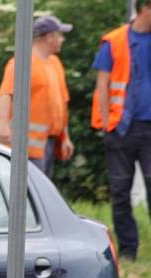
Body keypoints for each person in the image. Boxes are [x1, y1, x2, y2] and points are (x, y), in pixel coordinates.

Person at [92, 0, 151, 262]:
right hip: (122, 129)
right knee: (120, 192)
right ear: (146, 8)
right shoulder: (114, 41)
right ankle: (128, 252)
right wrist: (106, 123)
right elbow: (102, 84)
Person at [0, 15, 75, 179]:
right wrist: (3, 125)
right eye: (60, 35)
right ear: (49, 37)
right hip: (27, 144)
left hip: (49, 142)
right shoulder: (23, 61)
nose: (63, 39)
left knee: (41, 193)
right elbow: (6, 93)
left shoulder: (55, 63)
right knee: (30, 193)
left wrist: (65, 137)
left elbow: (62, 103)